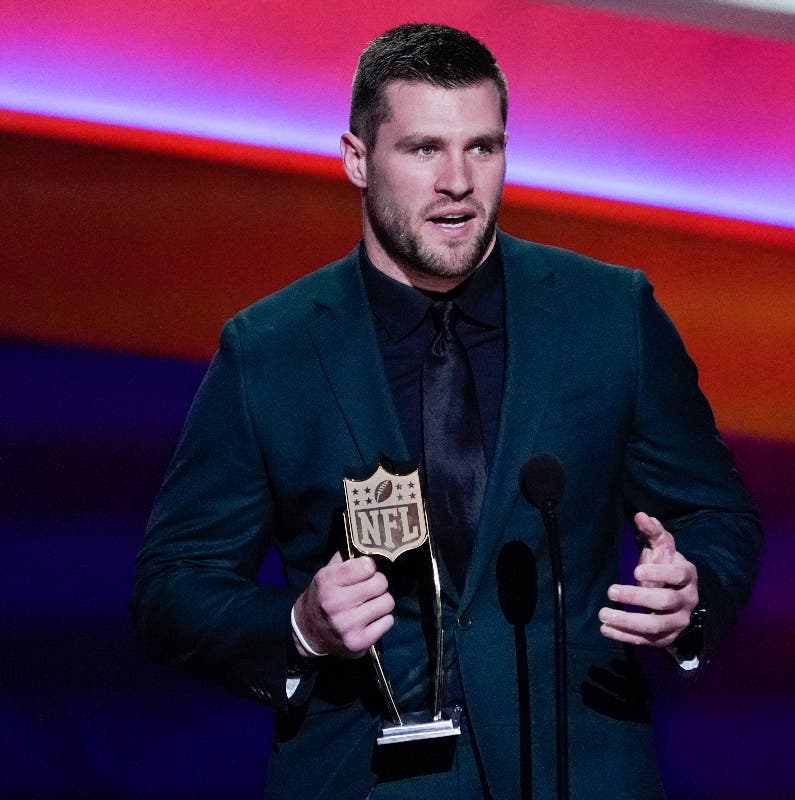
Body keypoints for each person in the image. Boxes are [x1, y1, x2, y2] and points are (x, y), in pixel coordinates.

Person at [132, 22, 761, 800]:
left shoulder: (609, 317)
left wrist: (691, 593)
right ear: (357, 159)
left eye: (483, 148)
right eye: (424, 149)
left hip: (575, 772)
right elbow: (174, 587)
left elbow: (715, 512)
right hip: (365, 780)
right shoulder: (271, 351)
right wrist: (300, 625)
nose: (458, 181)